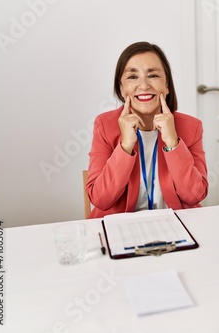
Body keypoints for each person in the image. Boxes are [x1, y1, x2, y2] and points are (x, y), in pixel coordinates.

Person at [86, 41, 208, 218]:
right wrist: (125, 146)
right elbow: (100, 199)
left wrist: (173, 143)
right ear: (121, 88)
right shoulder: (105, 125)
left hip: (174, 225)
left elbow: (194, 195)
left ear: (167, 86)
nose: (143, 86)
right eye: (132, 77)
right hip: (120, 226)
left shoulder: (191, 127)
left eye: (153, 75)